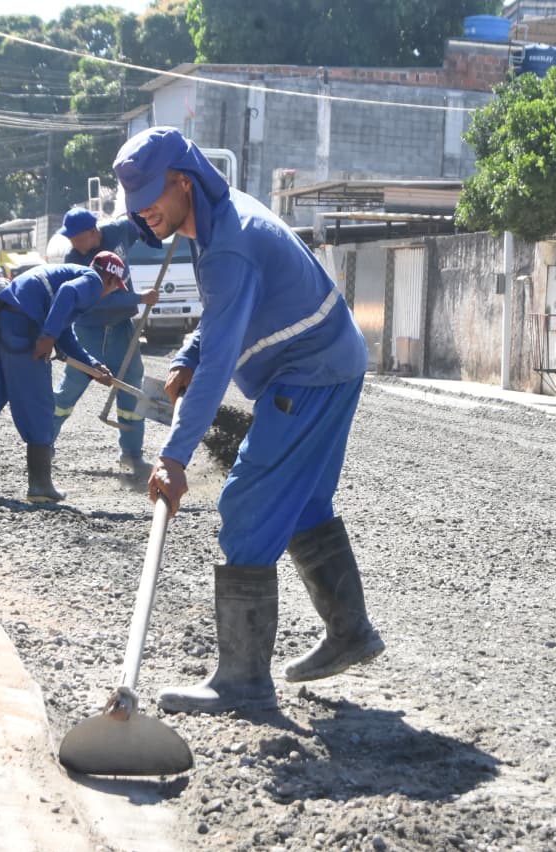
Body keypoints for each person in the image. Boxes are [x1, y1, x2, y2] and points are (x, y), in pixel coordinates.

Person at [112, 126, 384, 715]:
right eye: (135, 206)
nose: (144, 215)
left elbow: (219, 366)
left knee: (248, 504)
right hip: (330, 362)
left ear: (182, 182)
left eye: (151, 200)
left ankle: (243, 681)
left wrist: (175, 457)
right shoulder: (211, 218)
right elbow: (218, 323)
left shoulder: (227, 244)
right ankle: (351, 631)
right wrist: (185, 355)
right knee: (303, 504)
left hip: (310, 372)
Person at [0, 253, 157, 503]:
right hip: (24, 331)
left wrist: (93, 366)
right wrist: (47, 336)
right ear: (109, 279)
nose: (110, 292)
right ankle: (40, 486)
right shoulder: (93, 280)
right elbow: (67, 295)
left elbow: (66, 337)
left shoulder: (66, 274)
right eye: (115, 287)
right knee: (40, 407)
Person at [53, 207, 154, 476]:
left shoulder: (118, 230)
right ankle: (42, 444)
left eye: (76, 236)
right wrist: (140, 298)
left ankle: (132, 455)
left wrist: (156, 230)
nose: (73, 242)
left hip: (123, 327)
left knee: (132, 387)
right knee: (69, 390)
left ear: (92, 232)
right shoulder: (75, 260)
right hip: (89, 332)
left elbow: (144, 224)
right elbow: (100, 297)